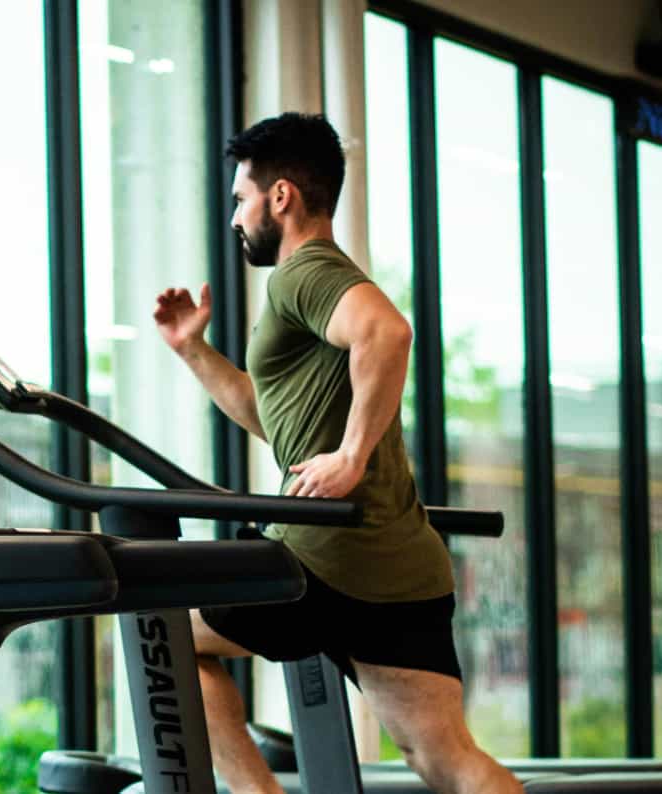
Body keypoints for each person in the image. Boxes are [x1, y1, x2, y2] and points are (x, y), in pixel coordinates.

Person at [152, 112, 521, 794]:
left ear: (281, 196)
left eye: (242, 199)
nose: (237, 217)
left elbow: (387, 332)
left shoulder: (304, 273)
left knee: (162, 635)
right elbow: (275, 419)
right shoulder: (316, 284)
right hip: (400, 563)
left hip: (322, 558)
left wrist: (350, 457)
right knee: (447, 761)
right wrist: (193, 349)